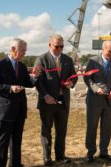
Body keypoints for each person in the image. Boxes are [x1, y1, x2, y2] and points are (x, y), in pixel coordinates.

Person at [0, 38, 38, 167]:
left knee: (16, 141)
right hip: (5, 110)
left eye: (25, 51)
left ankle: (15, 164)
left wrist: (35, 77)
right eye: (23, 51)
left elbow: (28, 83)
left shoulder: (21, 65)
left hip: (20, 109)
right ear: (13, 49)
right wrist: (9, 88)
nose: (24, 53)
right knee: (2, 142)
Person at [34, 34, 78, 166]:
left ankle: (60, 156)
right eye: (56, 46)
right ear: (49, 45)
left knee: (61, 130)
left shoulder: (68, 60)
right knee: (46, 130)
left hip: (63, 101)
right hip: (47, 102)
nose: (59, 49)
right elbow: (38, 81)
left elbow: (74, 76)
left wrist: (71, 83)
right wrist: (45, 95)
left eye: (61, 46)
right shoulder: (41, 59)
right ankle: (47, 157)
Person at [83, 40, 111, 163]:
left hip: (109, 101)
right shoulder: (92, 61)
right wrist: (96, 89)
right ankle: (90, 152)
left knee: (107, 127)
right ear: (103, 49)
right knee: (92, 127)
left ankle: (104, 151)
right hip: (94, 100)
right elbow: (87, 78)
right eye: (109, 50)